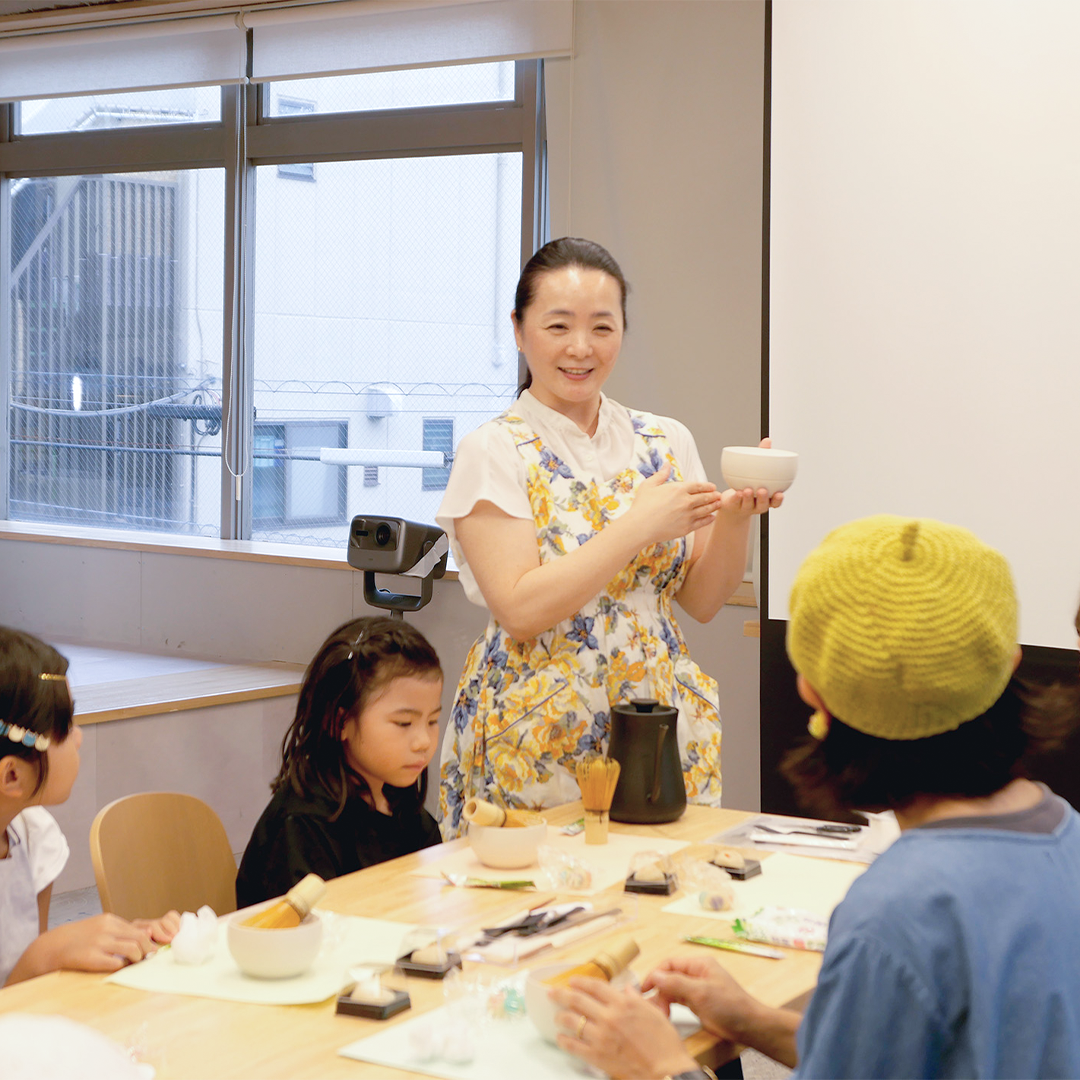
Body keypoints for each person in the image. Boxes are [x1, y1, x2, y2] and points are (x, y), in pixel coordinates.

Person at [549, 515, 1080, 1080]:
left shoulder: (897, 916)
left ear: (813, 692)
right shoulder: (1065, 835)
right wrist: (751, 1020)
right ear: (1008, 662)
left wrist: (661, 1064)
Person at [437, 237, 782, 836]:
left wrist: (736, 515)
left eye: (602, 327)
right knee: (533, 889)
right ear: (519, 331)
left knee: (656, 881)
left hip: (656, 717)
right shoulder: (493, 450)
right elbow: (520, 609)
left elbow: (702, 601)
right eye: (558, 326)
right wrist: (636, 527)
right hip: (537, 729)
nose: (581, 347)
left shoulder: (665, 440)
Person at [0, 626, 179, 986]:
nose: (79, 738)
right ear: (12, 776)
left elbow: (32, 990)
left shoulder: (34, 834)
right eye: (67, 726)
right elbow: (29, 970)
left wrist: (121, 943)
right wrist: (44, 954)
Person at [236, 615, 444, 906]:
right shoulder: (302, 825)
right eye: (403, 723)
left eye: (432, 721)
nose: (424, 741)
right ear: (339, 722)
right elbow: (304, 927)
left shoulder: (403, 808)